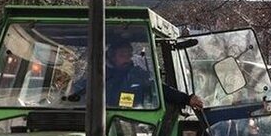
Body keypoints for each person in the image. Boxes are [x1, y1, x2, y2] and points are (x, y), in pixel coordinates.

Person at [69, 40, 204, 110]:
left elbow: (159, 89)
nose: (127, 59)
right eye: (122, 55)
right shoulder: (98, 74)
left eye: (129, 55)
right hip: (99, 120)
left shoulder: (138, 74)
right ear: (111, 56)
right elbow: (79, 89)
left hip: (129, 119)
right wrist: (66, 97)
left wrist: (187, 99)